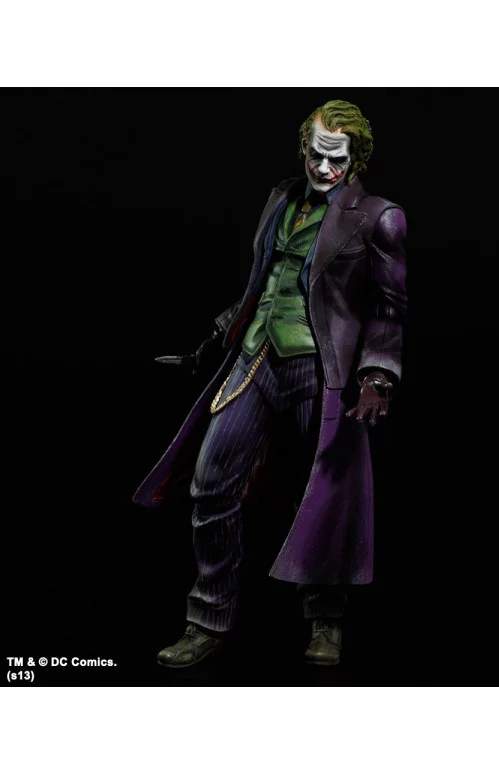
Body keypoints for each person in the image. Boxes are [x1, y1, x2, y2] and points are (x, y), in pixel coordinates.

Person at [133, 99, 408, 667]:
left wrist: (378, 373)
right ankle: (208, 618)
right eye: (316, 155)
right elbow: (263, 281)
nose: (324, 168)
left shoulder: (378, 216)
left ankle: (325, 620)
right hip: (257, 358)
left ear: (356, 158)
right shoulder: (281, 198)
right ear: (303, 146)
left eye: (338, 159)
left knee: (325, 498)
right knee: (211, 484)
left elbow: (388, 305)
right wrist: (216, 338)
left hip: (322, 368)